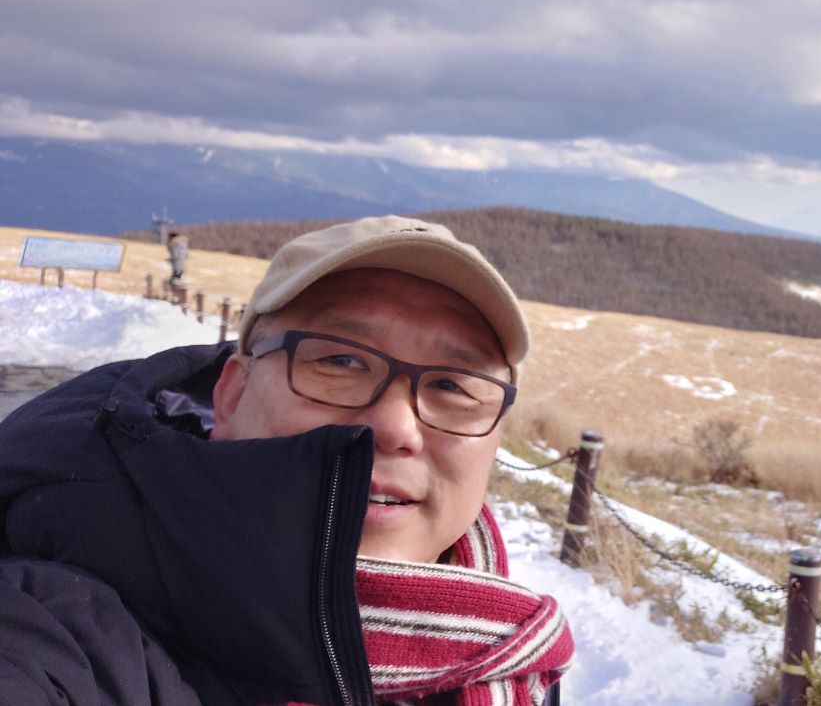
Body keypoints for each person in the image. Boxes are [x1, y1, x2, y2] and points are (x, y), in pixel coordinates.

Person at [0, 216, 574, 705]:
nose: (396, 427)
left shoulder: (501, 652)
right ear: (230, 396)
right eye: (341, 361)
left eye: (452, 384)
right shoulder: (62, 632)